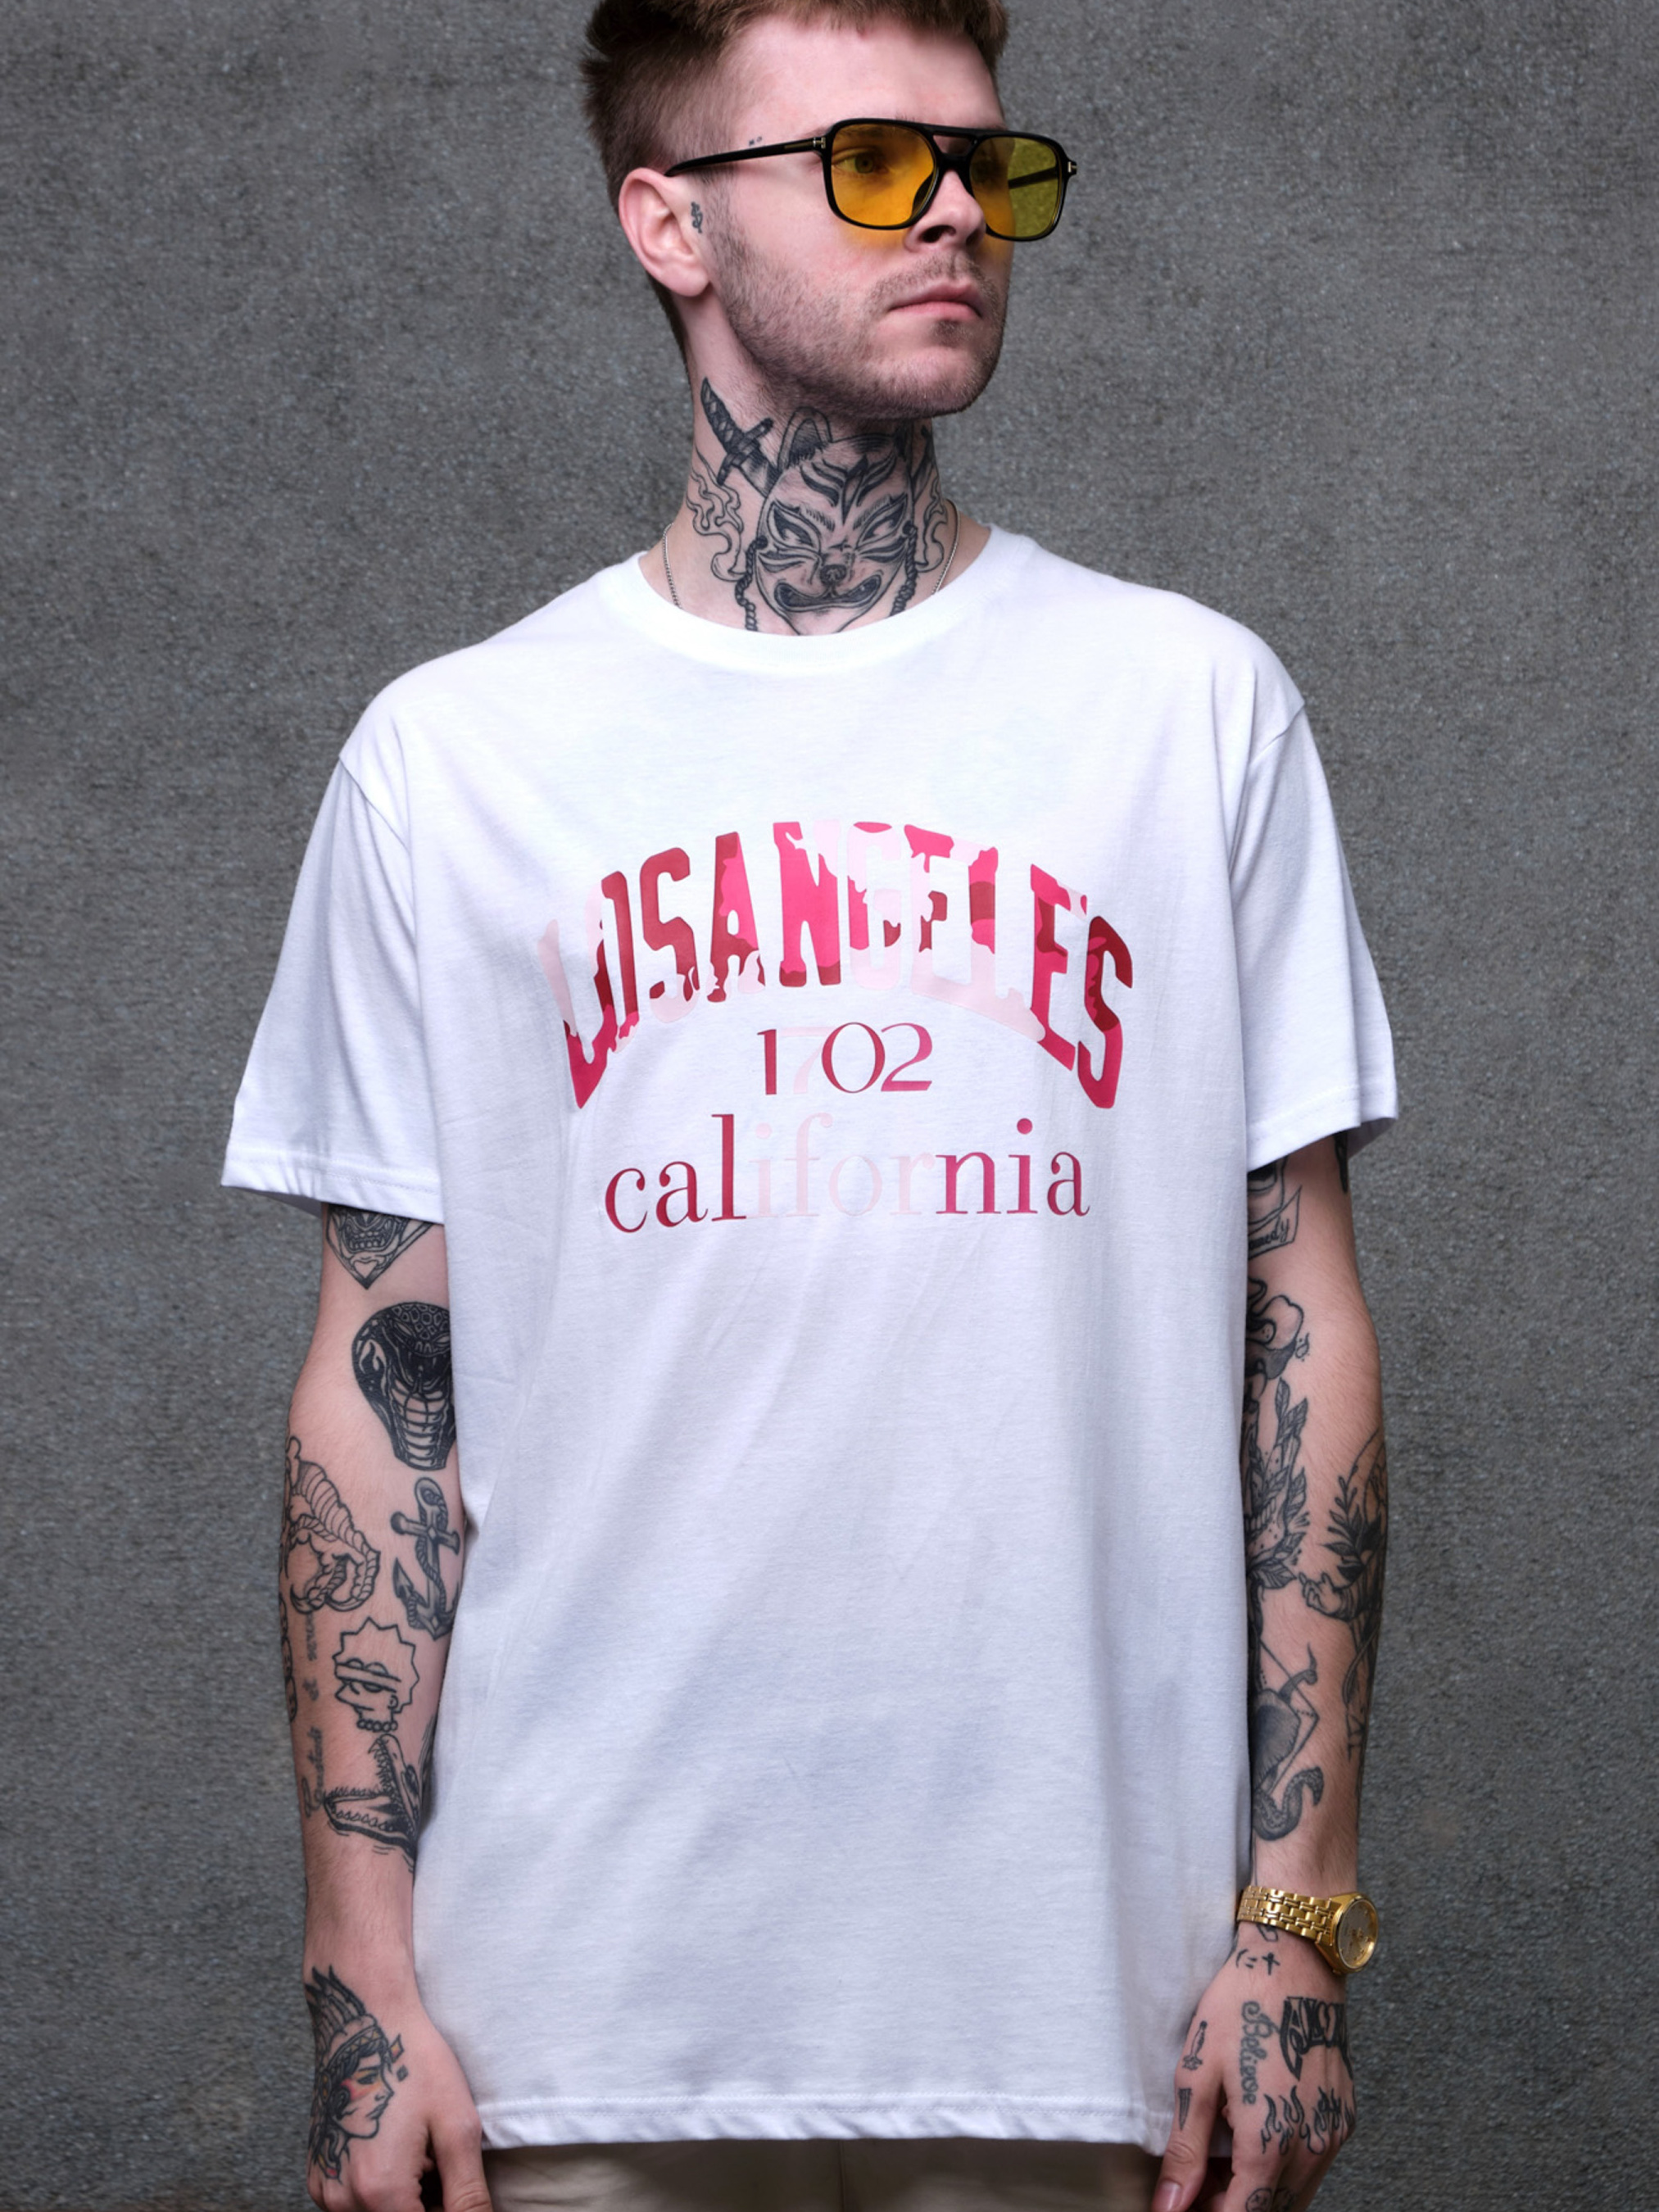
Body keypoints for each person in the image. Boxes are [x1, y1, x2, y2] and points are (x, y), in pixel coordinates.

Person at [224, 3, 1397, 2210]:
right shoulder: (453, 760)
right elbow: (385, 1387)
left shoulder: (1188, 713)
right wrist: (358, 1966)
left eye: (985, 163)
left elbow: (1298, 1331)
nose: (955, 211)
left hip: (1090, 2020)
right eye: (869, 161)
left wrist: (1300, 1919)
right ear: (668, 222)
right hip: (572, 2021)